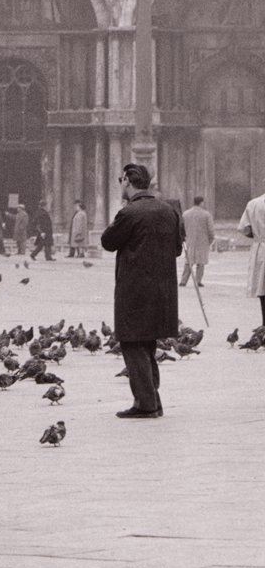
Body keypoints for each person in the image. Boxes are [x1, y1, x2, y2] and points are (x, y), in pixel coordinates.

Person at [100, 163, 183, 418]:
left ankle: (145, 404)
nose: (121, 185)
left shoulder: (130, 212)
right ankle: (152, 400)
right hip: (163, 291)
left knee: (132, 343)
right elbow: (178, 248)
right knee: (147, 343)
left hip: (135, 290)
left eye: (121, 180)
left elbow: (107, 242)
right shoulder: (169, 210)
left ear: (128, 181)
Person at [238, 189, 265, 326]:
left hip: (261, 249)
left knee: (262, 287)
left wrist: (257, 235)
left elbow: (244, 229)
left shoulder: (254, 204)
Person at [181, 196, 215, 288]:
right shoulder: (206, 215)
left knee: (188, 261)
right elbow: (211, 229)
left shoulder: (185, 214)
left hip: (190, 240)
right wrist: (211, 239)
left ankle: (183, 281)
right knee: (201, 262)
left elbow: (181, 227)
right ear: (201, 203)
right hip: (203, 240)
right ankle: (198, 281)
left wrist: (183, 238)